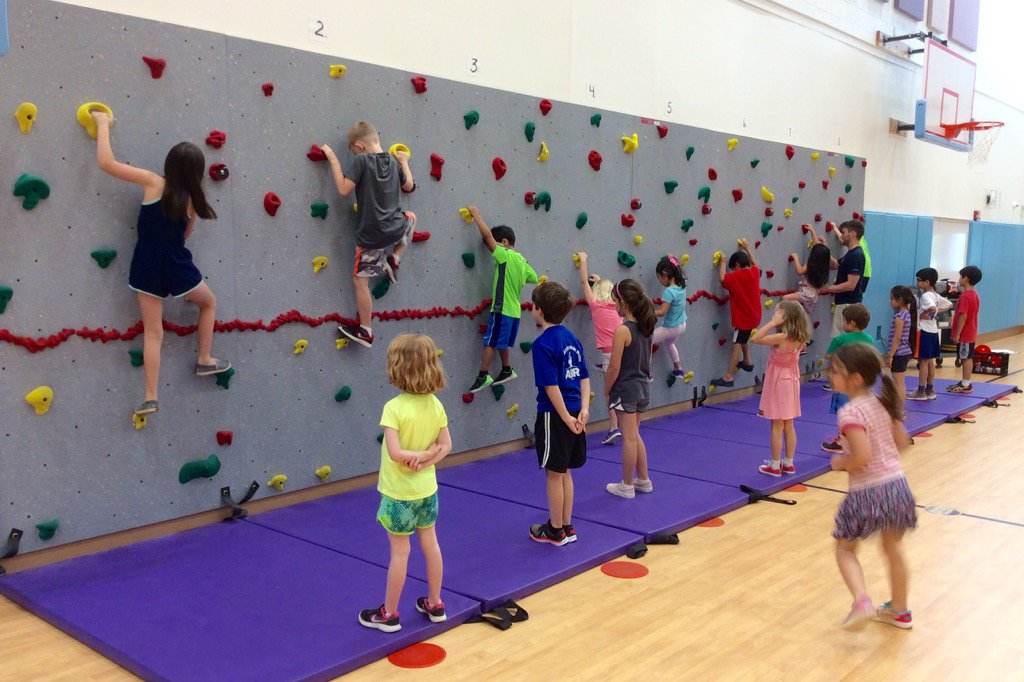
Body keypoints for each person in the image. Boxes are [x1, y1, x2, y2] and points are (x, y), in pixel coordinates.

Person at [89, 110, 230, 416]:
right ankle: (205, 358)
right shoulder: (194, 200)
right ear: (198, 172)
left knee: (153, 332)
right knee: (208, 304)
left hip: (146, 263)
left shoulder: (153, 183)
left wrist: (102, 125)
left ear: (169, 165)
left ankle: (150, 395)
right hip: (176, 262)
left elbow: (106, 163)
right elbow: (185, 236)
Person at [359, 334, 452, 632]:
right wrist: (427, 457)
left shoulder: (394, 408)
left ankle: (389, 613)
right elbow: (446, 445)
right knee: (431, 544)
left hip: (400, 494)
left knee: (400, 553)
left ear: (397, 368)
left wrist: (419, 457)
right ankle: (435, 603)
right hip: (427, 491)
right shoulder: (435, 405)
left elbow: (396, 453)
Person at [826, 343, 916, 631]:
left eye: (835, 371)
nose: (830, 375)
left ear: (856, 379)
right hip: (897, 487)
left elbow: (862, 458)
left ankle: (862, 600)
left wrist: (841, 462)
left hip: (867, 492)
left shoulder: (850, 412)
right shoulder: (884, 402)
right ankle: (900, 611)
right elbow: (903, 444)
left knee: (846, 549)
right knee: (893, 550)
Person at [322, 121, 416, 348]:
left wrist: (333, 159)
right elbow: (409, 185)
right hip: (395, 229)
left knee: (360, 282)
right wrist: (404, 161)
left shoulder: (361, 161)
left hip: (372, 237)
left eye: (352, 150)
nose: (352, 154)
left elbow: (344, 189)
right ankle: (395, 257)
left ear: (359, 146)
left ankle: (366, 329)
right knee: (411, 217)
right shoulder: (394, 163)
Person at [528, 282, 590, 546]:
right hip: (576, 411)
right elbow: (584, 377)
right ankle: (566, 525)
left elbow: (551, 387)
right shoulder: (572, 340)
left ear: (539, 310)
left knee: (554, 472)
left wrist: (565, 418)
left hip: (556, 415)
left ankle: (555, 530)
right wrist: (584, 409)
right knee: (565, 471)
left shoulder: (542, 345)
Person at [465, 206, 538, 392]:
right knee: (501, 341)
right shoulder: (521, 261)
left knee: (490, 341)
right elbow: (534, 277)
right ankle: (506, 369)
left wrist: (476, 215)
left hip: (502, 308)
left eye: (497, 245)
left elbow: (488, 237)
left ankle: (483, 375)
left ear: (504, 243)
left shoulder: (504, 255)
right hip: (515, 312)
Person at [604, 280, 656, 499]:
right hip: (643, 387)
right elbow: (648, 360)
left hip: (627, 388)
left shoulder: (622, 330)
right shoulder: (646, 328)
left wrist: (607, 389)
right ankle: (643, 479)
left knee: (628, 438)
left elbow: (614, 367)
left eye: (614, 301)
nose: (613, 305)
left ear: (622, 302)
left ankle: (626, 485)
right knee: (634, 435)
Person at [752, 301, 812, 476]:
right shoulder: (800, 337)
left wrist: (772, 323)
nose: (774, 316)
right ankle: (789, 462)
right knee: (789, 424)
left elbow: (756, 338)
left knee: (776, 425)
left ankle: (775, 465)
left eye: (777, 314)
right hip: (792, 380)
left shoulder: (782, 337)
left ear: (784, 318)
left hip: (779, 382)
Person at [577, 252, 623, 444]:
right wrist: (600, 281)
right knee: (619, 386)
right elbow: (607, 289)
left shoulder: (595, 306)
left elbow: (583, 283)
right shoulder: (618, 307)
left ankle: (614, 427)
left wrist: (583, 260)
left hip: (609, 354)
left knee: (609, 393)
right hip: (623, 352)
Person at [820, 304, 874, 453]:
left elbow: (828, 355)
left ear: (851, 323)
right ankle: (860, 437)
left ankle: (843, 441)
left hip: (844, 381)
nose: (843, 324)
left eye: (844, 321)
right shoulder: (868, 338)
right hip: (861, 381)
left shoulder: (840, 339)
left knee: (844, 411)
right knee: (859, 410)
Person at [711, 239, 761, 388]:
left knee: (736, 343)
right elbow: (755, 263)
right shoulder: (754, 273)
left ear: (737, 266)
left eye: (733, 268)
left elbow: (721, 279)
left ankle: (728, 377)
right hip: (754, 316)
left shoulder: (735, 278)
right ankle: (747, 361)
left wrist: (723, 261)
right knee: (744, 336)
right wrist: (747, 248)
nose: (732, 271)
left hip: (743, 318)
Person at [908, 268, 953, 401]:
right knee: (930, 362)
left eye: (919, 280)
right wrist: (935, 313)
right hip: (933, 331)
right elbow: (949, 304)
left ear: (927, 282)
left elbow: (932, 308)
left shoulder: (926, 296)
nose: (917, 283)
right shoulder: (935, 295)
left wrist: (927, 314)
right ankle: (929, 389)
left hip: (924, 331)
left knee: (923, 362)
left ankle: (921, 391)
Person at [820, 220, 867, 340]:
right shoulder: (850, 254)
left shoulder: (856, 255)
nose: (841, 235)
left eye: (843, 232)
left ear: (852, 234)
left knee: (839, 340)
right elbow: (835, 265)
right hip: (844, 303)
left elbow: (851, 285)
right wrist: (824, 247)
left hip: (848, 304)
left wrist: (828, 288)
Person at [652, 255, 688, 377]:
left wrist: (648, 312)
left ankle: (646, 373)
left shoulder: (669, 291)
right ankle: (678, 369)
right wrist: (672, 258)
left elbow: (662, 312)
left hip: (671, 327)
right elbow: (677, 267)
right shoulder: (682, 284)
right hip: (682, 325)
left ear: (665, 275)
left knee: (645, 340)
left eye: (659, 278)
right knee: (669, 344)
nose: (659, 281)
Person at [948, 266, 983, 394]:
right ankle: (964, 381)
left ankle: (966, 383)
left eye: (960, 277)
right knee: (965, 356)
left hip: (965, 334)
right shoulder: (974, 294)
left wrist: (957, 333)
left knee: (966, 358)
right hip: (970, 332)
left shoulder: (965, 296)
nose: (959, 279)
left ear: (966, 278)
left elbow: (963, 315)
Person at [785, 239, 832, 314]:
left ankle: (786, 319)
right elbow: (824, 253)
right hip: (813, 296)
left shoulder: (811, 264)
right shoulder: (824, 267)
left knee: (785, 298)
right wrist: (824, 243)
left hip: (806, 294)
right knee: (800, 313)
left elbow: (800, 271)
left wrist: (796, 258)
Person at [886, 286, 918, 397]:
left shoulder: (900, 316)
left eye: (891, 299)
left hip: (900, 353)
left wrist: (890, 355)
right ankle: (899, 407)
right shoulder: (907, 314)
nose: (889, 301)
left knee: (898, 382)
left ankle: (899, 408)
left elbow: (897, 337)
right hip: (903, 352)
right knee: (899, 381)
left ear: (900, 300)